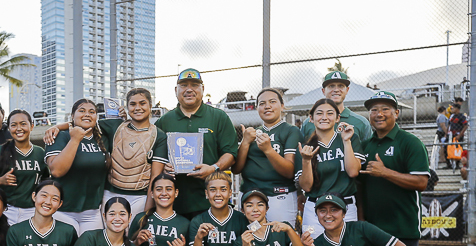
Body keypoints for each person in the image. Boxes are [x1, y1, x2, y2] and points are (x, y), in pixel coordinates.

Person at [359, 90, 430, 246]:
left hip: (403, 223)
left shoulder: (409, 142)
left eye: (385, 109)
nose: (379, 114)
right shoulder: (366, 146)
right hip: (375, 225)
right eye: (374, 109)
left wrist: (385, 172)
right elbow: (361, 187)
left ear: (396, 113)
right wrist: (363, 220)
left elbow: (422, 181)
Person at [44, 88, 169, 220]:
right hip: (110, 193)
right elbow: (86, 121)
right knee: (108, 236)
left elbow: (155, 176)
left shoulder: (159, 135)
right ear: (127, 107)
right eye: (132, 104)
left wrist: (146, 213)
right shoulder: (115, 125)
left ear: (150, 105)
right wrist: (56, 127)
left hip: (139, 196)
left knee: (133, 238)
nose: (137, 108)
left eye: (142, 103)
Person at [296, 98, 364, 246]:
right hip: (316, 207)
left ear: (337, 117)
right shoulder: (307, 145)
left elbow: (353, 172)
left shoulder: (349, 138)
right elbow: (306, 186)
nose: (324, 117)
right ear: (311, 118)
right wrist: (306, 160)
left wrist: (346, 142)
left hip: (346, 207)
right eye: (319, 113)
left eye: (329, 113)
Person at [154, 68, 238, 219]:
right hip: (174, 204)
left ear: (202, 89)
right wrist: (163, 166)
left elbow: (231, 153)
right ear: (176, 90)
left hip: (210, 202)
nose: (189, 89)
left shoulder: (218, 117)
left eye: (194, 85)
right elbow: (153, 157)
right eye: (184, 85)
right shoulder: (164, 121)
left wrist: (213, 168)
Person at [232, 88, 302, 223]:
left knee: (279, 239)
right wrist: (245, 143)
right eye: (262, 103)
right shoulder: (252, 133)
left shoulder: (291, 130)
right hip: (249, 195)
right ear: (257, 108)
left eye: (272, 102)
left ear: (282, 106)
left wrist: (268, 150)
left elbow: (289, 172)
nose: (267, 106)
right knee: (249, 239)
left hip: (279, 195)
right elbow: (236, 169)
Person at [45, 99, 109, 234]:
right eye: (82, 111)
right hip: (64, 211)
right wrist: (74, 139)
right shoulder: (59, 136)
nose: (87, 114)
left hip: (92, 213)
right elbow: (56, 171)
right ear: (72, 116)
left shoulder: (103, 138)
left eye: (92, 112)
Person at [0, 109, 48, 225]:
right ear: (9, 129)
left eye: (23, 124)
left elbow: (45, 181)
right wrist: (0, 180)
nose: (19, 128)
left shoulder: (40, 153)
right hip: (7, 210)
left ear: (32, 126)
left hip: (33, 210)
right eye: (13, 125)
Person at [300, 72, 372, 142]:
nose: (336, 90)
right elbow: (300, 149)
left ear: (347, 90)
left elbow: (369, 152)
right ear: (323, 91)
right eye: (331, 86)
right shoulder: (309, 123)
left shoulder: (361, 122)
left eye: (341, 86)